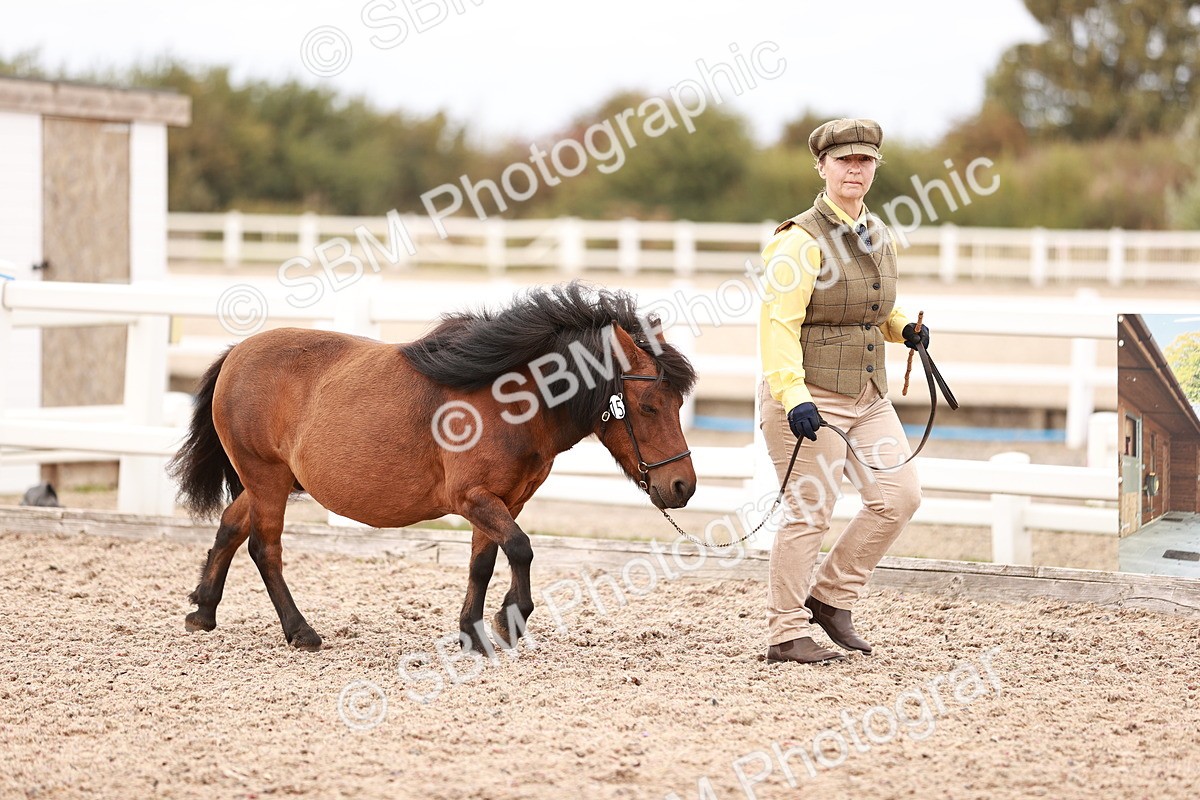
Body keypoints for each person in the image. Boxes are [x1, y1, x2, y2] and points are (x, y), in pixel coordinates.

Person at [757, 118, 930, 664]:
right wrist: (793, 396)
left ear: (875, 167)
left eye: (865, 161)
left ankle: (830, 598)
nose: (855, 169)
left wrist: (902, 328)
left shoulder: (876, 233)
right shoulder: (798, 242)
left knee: (899, 497)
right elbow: (778, 326)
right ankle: (786, 632)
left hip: (867, 394)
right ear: (822, 167)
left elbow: (869, 308)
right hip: (808, 397)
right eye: (844, 160)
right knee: (810, 511)